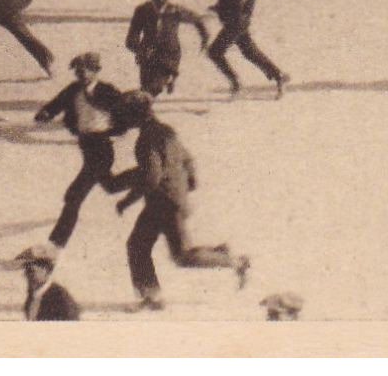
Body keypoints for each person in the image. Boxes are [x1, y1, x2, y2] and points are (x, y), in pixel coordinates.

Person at [112, 97, 251, 310]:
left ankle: (235, 261)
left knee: (183, 256)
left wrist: (127, 201)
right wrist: (189, 184)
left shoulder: (146, 140)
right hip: (169, 200)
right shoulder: (167, 131)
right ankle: (151, 297)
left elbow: (151, 177)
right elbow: (188, 159)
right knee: (138, 245)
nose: (125, 119)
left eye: (127, 114)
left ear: (136, 115)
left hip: (166, 205)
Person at [35, 52, 132, 249]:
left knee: (74, 195)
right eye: (77, 71)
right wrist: (46, 113)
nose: (80, 75)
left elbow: (126, 114)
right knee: (110, 185)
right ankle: (145, 176)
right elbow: (56, 104)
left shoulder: (107, 91)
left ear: (96, 71)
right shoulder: (73, 90)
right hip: (86, 144)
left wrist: (115, 131)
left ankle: (56, 243)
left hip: (102, 146)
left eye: (84, 70)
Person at [174, 0, 288, 98]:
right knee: (249, 52)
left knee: (215, 52)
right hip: (230, 19)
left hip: (237, 20)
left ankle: (236, 83)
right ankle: (278, 75)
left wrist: (247, 11)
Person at [126, 0, 211, 96]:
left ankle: (167, 79)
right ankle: (167, 81)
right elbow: (133, 34)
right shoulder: (142, 10)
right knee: (145, 87)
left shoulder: (175, 10)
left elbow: (197, 19)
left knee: (154, 88)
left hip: (169, 53)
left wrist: (204, 37)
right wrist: (139, 49)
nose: (161, 1)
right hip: (148, 53)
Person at [15, 243, 81, 320]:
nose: (26, 275)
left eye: (31, 271)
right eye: (26, 269)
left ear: (46, 270)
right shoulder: (33, 296)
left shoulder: (60, 298)